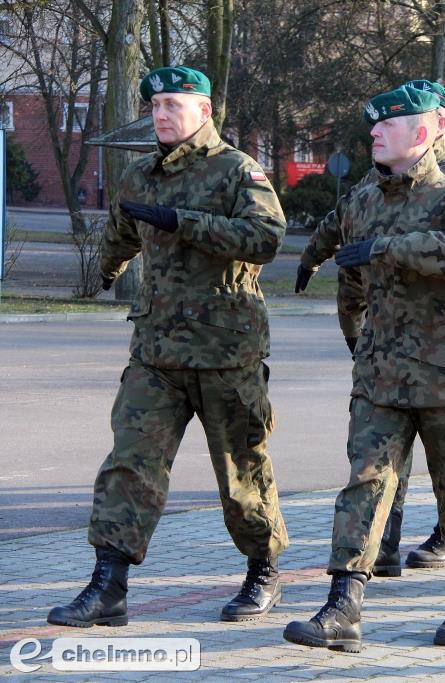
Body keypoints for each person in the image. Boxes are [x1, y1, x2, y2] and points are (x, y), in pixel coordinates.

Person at [47, 66, 289, 628]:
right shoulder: (139, 175)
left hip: (225, 351)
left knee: (241, 469)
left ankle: (262, 570)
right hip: (155, 350)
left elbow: (266, 237)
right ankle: (109, 587)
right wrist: (106, 268)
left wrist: (184, 221)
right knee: (129, 464)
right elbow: (124, 228)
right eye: (155, 105)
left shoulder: (237, 170)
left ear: (204, 111)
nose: (161, 115)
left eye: (173, 106)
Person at [283, 84, 445, 652]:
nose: (374, 133)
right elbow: (342, 248)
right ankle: (343, 604)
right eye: (373, 126)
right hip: (380, 375)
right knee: (364, 487)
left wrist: (387, 248)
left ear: (422, 133)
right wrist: (316, 265)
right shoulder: (362, 199)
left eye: (388, 125)